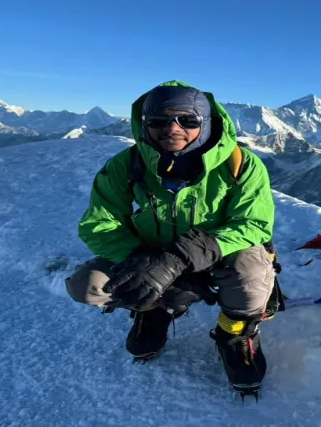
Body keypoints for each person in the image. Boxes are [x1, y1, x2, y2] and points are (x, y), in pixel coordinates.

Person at [65, 80, 278, 395]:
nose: (172, 128)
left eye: (188, 120)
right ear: (144, 124)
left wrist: (178, 258)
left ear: (205, 124)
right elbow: (99, 222)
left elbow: (254, 224)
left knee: (252, 276)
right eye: (159, 121)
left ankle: (235, 332)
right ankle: (153, 307)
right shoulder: (126, 165)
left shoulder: (241, 165)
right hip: (150, 254)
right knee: (88, 284)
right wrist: (140, 261)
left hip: (219, 254)